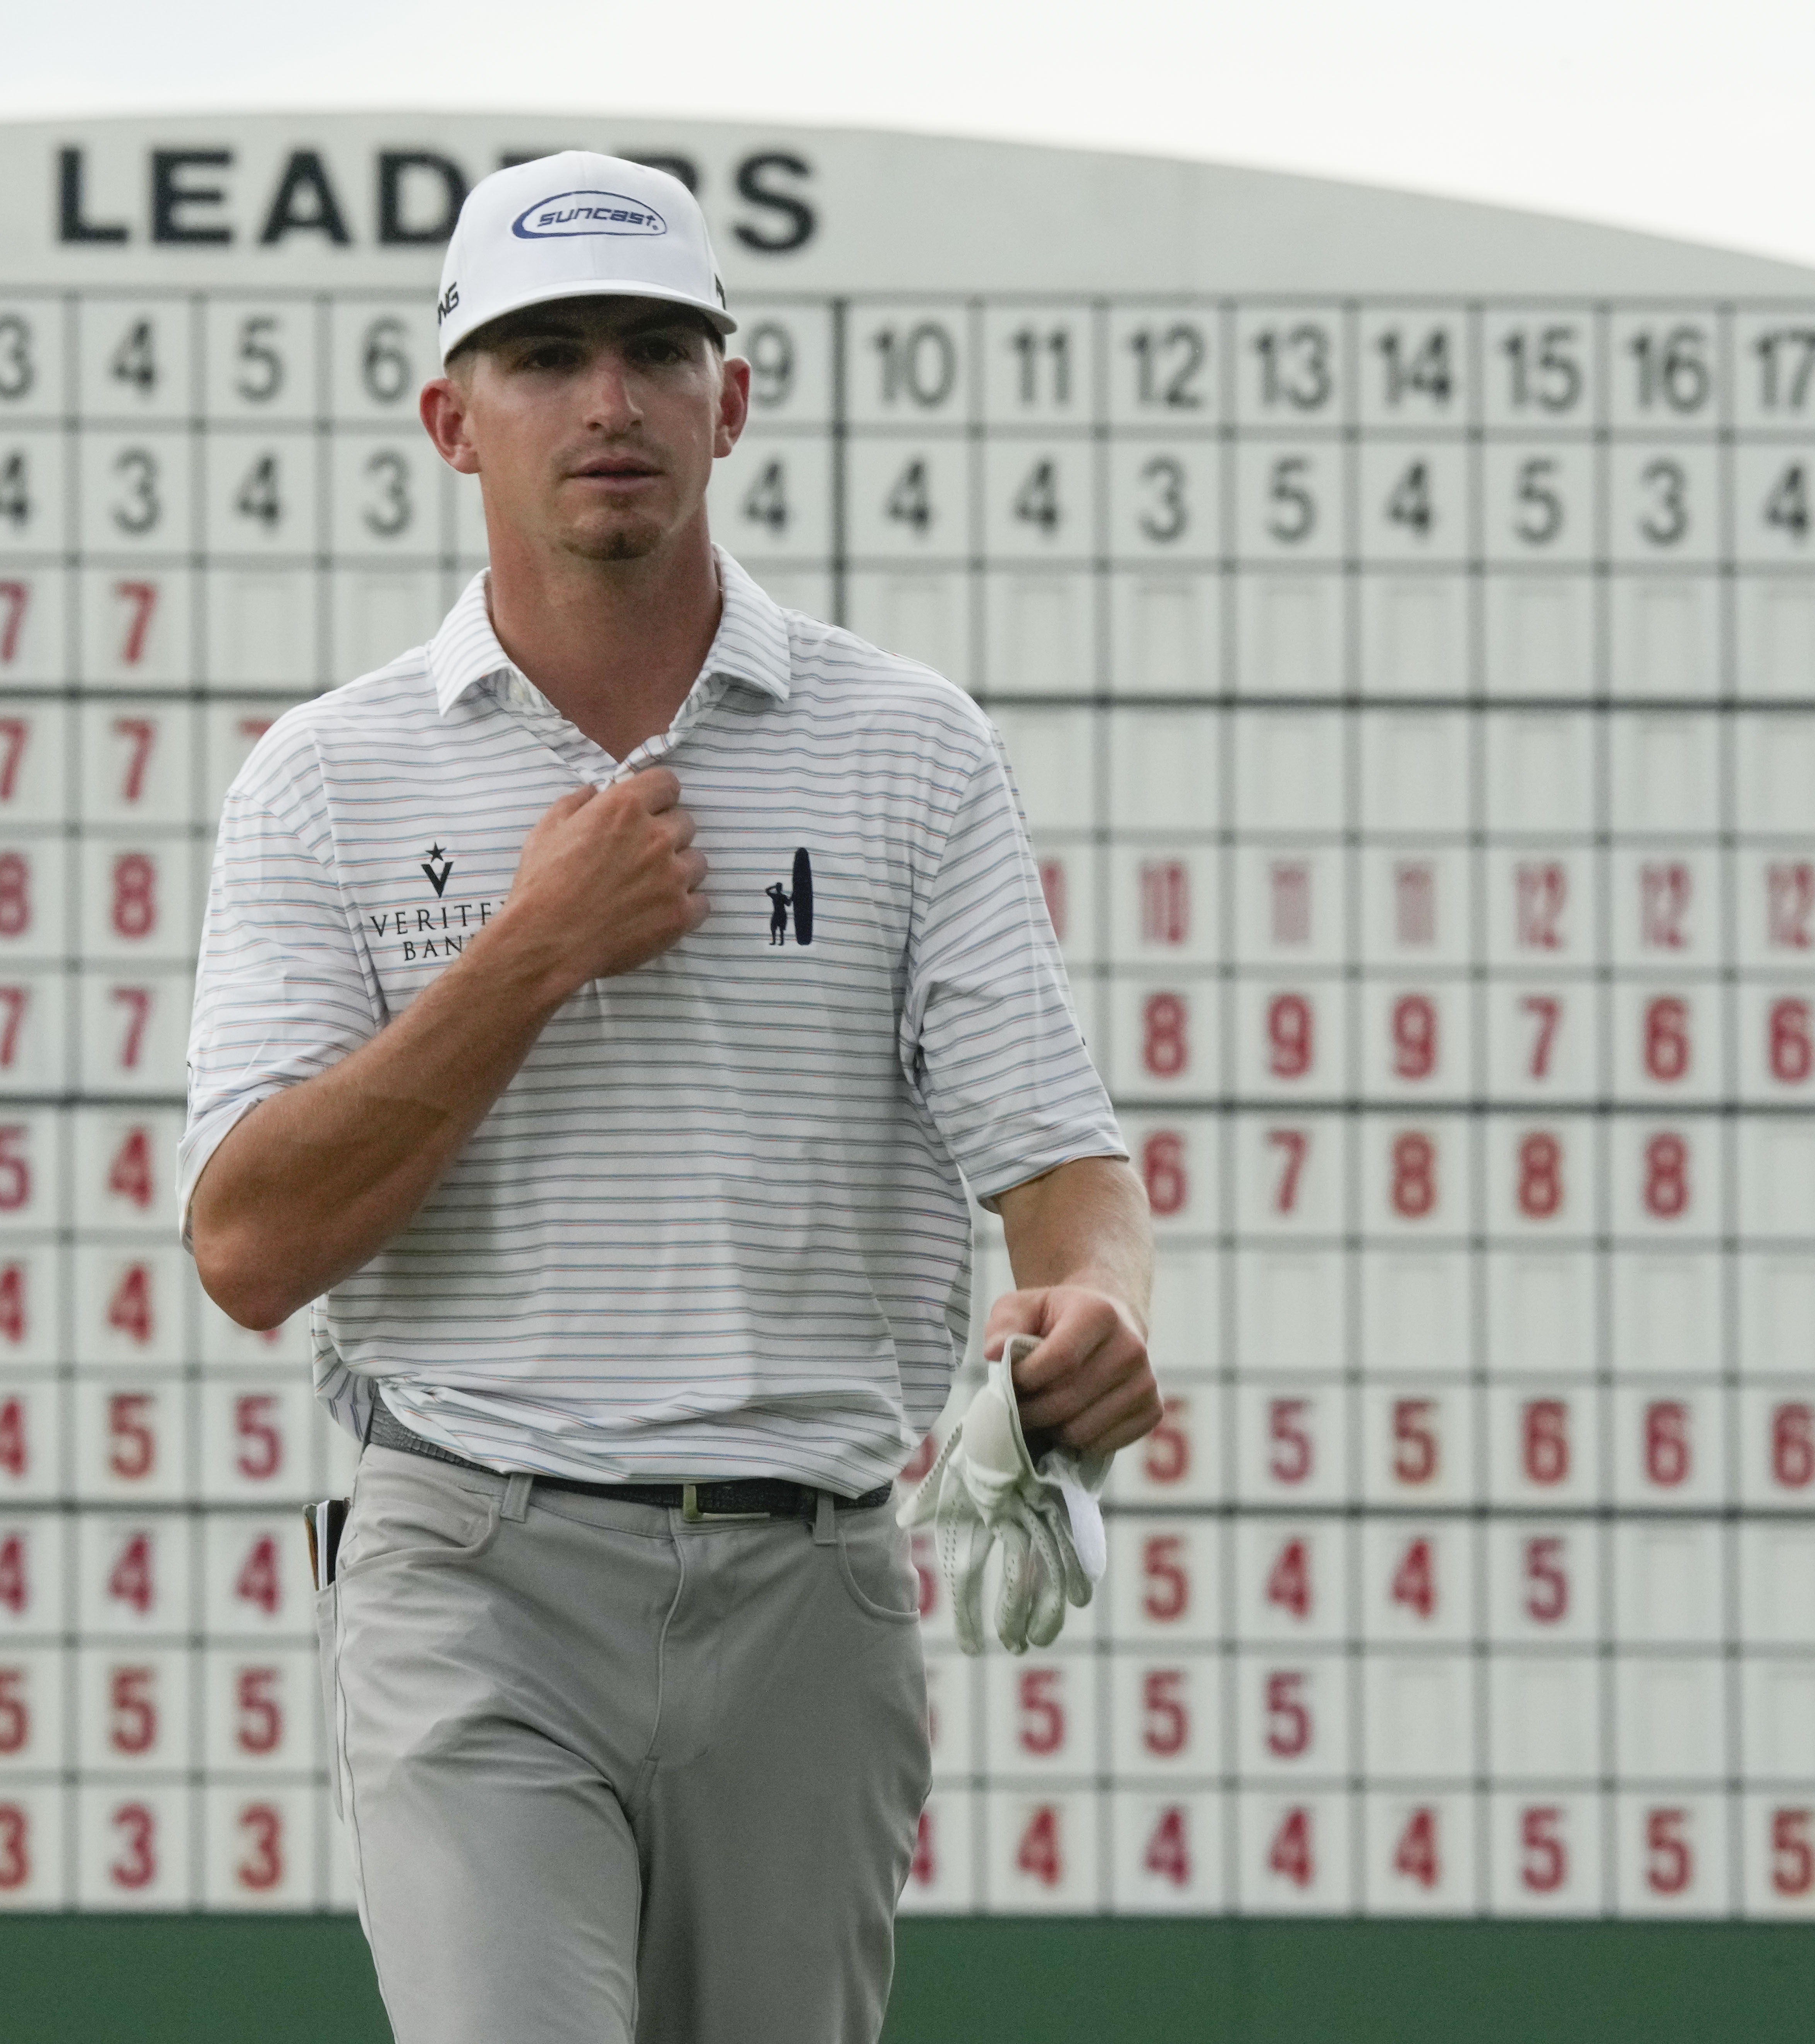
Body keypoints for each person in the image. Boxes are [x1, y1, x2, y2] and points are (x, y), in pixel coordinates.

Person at [181, 150, 1160, 2044]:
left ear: (732, 398)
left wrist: (1094, 1309)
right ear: (451, 422)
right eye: (544, 355)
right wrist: (531, 949)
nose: (607, 401)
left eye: (652, 347)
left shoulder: (911, 748)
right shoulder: (322, 779)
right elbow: (247, 1242)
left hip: (814, 1580)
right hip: (468, 1565)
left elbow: (1060, 1170)